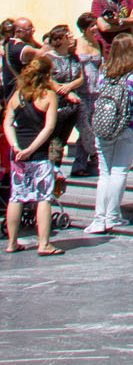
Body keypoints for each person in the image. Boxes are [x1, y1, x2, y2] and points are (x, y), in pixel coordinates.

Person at [85, 34, 133, 234]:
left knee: (104, 173)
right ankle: (113, 217)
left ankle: (99, 218)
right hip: (129, 128)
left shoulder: (105, 73)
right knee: (119, 171)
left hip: (104, 127)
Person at [3, 57, 63, 255]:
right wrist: (31, 149)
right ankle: (44, 244)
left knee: (16, 197)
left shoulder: (18, 95)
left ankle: (12, 242)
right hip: (38, 154)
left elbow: (8, 122)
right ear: (46, 75)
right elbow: (49, 127)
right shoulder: (48, 95)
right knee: (43, 197)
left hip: (18, 154)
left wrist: (16, 147)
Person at [41, 27, 84, 174]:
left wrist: (70, 87)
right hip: (55, 105)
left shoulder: (73, 58)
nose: (72, 38)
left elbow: (81, 77)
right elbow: (48, 80)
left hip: (71, 106)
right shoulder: (48, 58)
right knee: (54, 141)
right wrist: (65, 92)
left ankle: (55, 170)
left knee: (62, 140)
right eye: (68, 36)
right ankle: (50, 173)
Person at [71, 15, 103, 176]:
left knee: (93, 127)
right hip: (80, 93)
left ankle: (79, 166)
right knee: (85, 128)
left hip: (96, 92)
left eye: (95, 25)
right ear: (83, 28)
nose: (95, 28)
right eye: (91, 26)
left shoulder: (98, 43)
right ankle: (95, 154)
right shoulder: (76, 44)